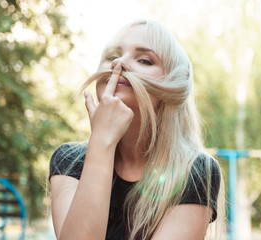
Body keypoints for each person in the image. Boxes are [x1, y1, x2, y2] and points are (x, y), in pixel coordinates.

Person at [49, 19, 225, 240]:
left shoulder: (195, 171)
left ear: (170, 88)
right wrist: (102, 141)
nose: (119, 63)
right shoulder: (68, 161)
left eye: (144, 60)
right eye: (112, 56)